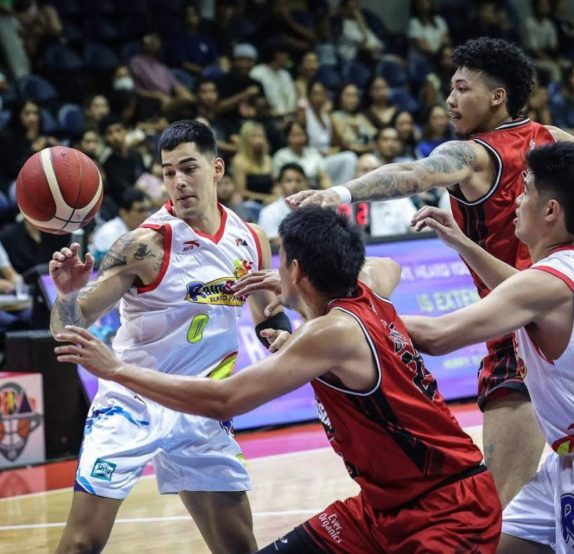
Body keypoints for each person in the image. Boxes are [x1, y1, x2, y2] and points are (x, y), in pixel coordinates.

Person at [287, 38, 574, 541]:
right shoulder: (553, 139)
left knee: (488, 509)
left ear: (497, 96)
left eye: (462, 89)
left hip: (518, 328)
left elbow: (412, 173)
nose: (450, 100)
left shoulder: (473, 154)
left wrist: (342, 194)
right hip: (571, 316)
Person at [54, 206, 502, 553]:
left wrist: (114, 369)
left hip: (447, 509)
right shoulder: (366, 288)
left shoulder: (328, 332)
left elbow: (225, 399)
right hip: (381, 508)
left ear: (298, 271)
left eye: (282, 260)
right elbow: (386, 265)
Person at [404, 142, 574, 553]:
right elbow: (521, 290)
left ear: (550, 211)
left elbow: (439, 335)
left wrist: (352, 313)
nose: (515, 202)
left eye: (525, 192)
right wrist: (463, 244)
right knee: (491, 545)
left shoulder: (545, 283)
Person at [47, 120, 292, 554]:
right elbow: (67, 326)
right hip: (131, 401)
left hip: (199, 404)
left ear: (216, 169)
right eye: (168, 171)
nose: (178, 181)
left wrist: (278, 336)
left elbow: (266, 311)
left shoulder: (251, 238)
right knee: (81, 544)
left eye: (188, 168)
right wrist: (67, 294)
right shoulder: (144, 245)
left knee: (239, 547)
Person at [89, 189, 153, 263]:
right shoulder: (109, 233)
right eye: (140, 210)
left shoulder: (146, 230)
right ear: (123, 213)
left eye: (148, 210)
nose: (147, 215)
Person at [258, 163, 310, 247]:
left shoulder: (316, 209)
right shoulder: (269, 212)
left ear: (306, 183)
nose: (294, 185)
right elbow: (274, 242)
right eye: (289, 181)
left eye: (299, 181)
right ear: (280, 185)